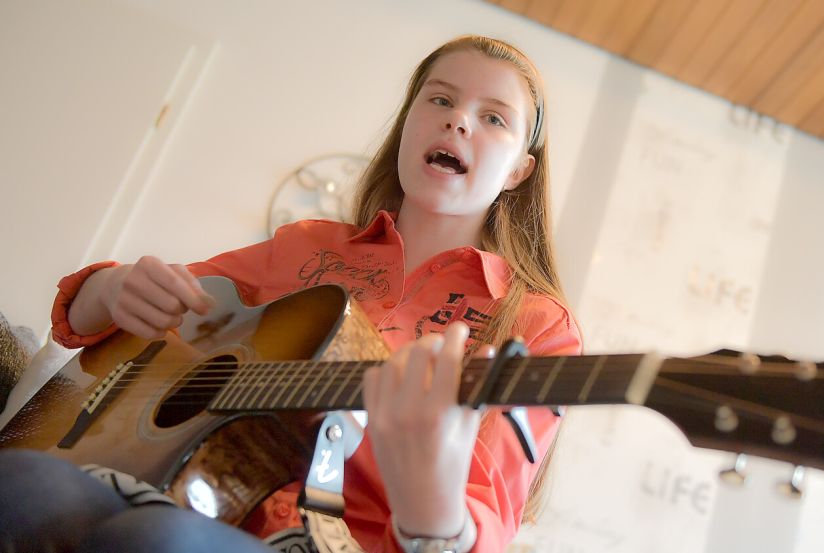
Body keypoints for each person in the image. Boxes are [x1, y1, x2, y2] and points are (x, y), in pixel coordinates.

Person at [0, 35, 581, 552]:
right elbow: (110, 321)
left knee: (159, 539)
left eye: (494, 118)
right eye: (440, 99)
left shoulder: (536, 324)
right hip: (178, 488)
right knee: (20, 480)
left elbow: (485, 522)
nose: (458, 121)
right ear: (408, 123)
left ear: (517, 172)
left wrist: (429, 494)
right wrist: (110, 289)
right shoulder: (306, 245)